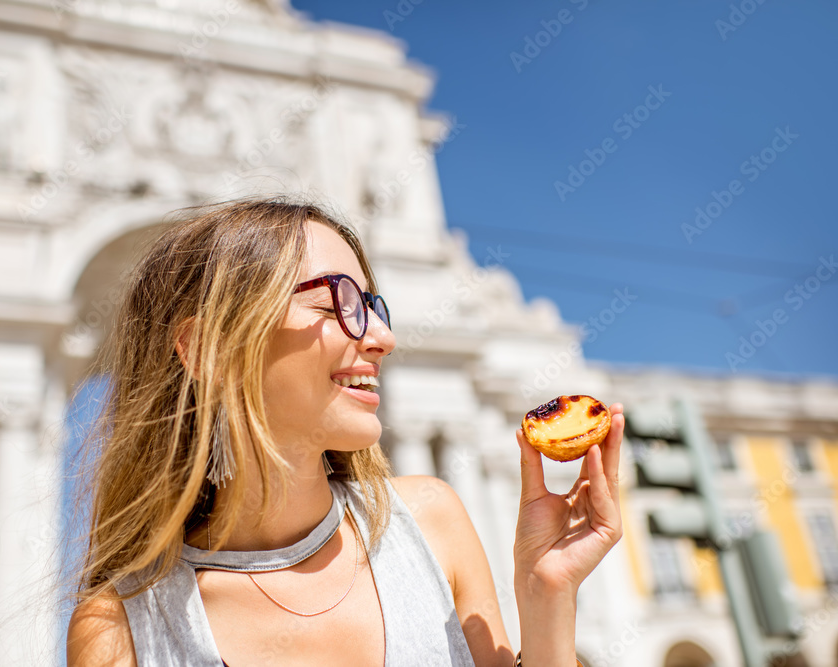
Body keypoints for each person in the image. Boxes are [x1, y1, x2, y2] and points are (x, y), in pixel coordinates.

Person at [65, 197, 624, 666]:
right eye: (340, 302)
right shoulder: (120, 629)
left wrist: (546, 594)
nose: (383, 337)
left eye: (373, 305)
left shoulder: (430, 522)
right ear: (209, 348)